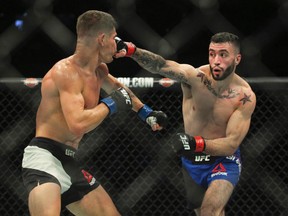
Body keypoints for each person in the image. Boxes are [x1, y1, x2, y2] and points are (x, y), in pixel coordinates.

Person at [21, 10, 167, 216]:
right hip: (44, 158)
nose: (117, 44)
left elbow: (120, 90)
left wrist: (146, 112)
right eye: (114, 38)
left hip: (68, 160)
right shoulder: (66, 72)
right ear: (102, 39)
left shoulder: (99, 71)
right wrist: (110, 104)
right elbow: (77, 123)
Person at [115, 32, 256, 216]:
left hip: (223, 160)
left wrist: (196, 143)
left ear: (237, 58)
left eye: (223, 54)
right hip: (191, 160)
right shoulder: (194, 77)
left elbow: (231, 144)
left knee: (209, 211)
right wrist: (132, 50)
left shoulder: (244, 96)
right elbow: (161, 65)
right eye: (212, 53)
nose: (216, 61)